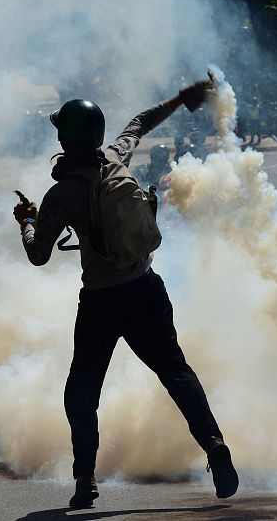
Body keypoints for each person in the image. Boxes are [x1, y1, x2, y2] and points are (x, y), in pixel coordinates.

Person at [12, 81, 238, 509]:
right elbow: (140, 122)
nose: (58, 137)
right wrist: (179, 100)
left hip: (102, 303)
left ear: (69, 139)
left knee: (81, 395)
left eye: (62, 132)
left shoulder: (61, 195)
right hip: (146, 290)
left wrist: (27, 220)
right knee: (175, 372)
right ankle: (214, 444)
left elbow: (39, 255)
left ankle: (84, 482)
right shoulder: (117, 155)